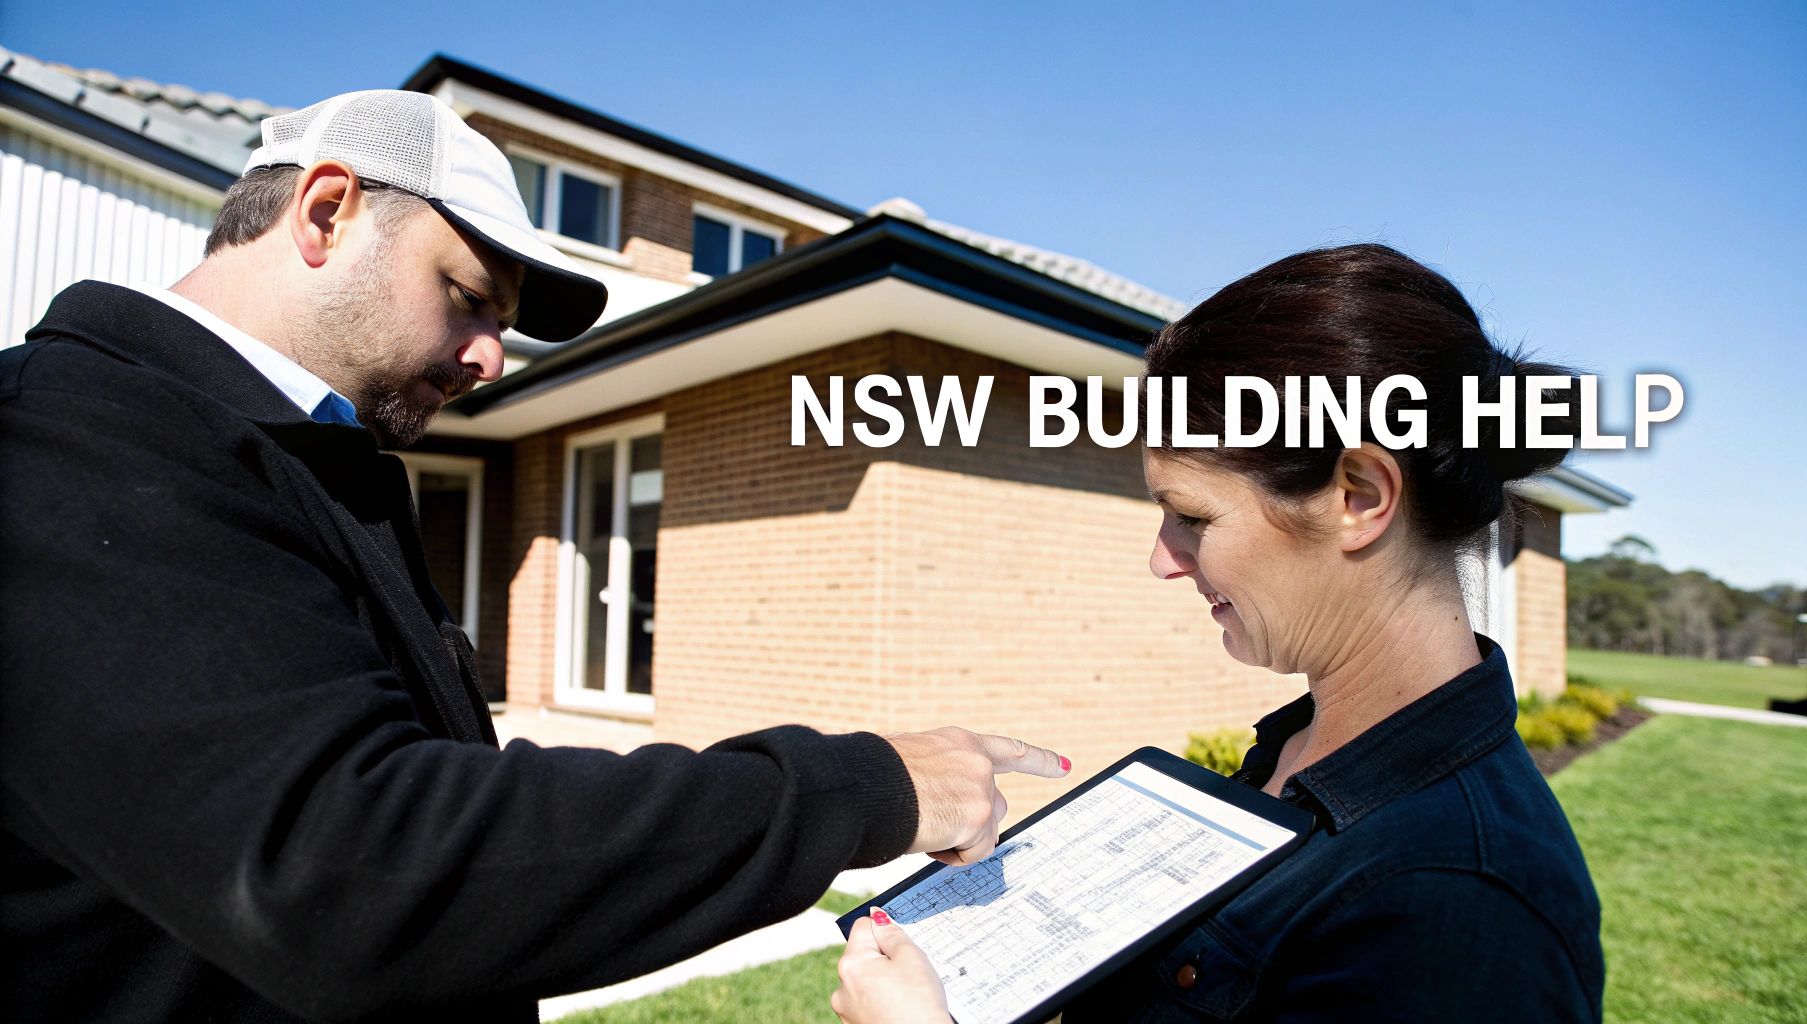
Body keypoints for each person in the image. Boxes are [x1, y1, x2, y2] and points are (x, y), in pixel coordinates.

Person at [0, 90, 1068, 1022]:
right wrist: (862, 786)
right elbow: (346, 866)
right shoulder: (74, 437)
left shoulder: (302, 465)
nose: (488, 359)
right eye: (468, 299)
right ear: (324, 211)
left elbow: (444, 808)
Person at [831, 244, 1604, 1023]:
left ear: (1360, 495)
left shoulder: (1461, 906)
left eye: (1194, 517)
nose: (1162, 560)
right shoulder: (1298, 752)